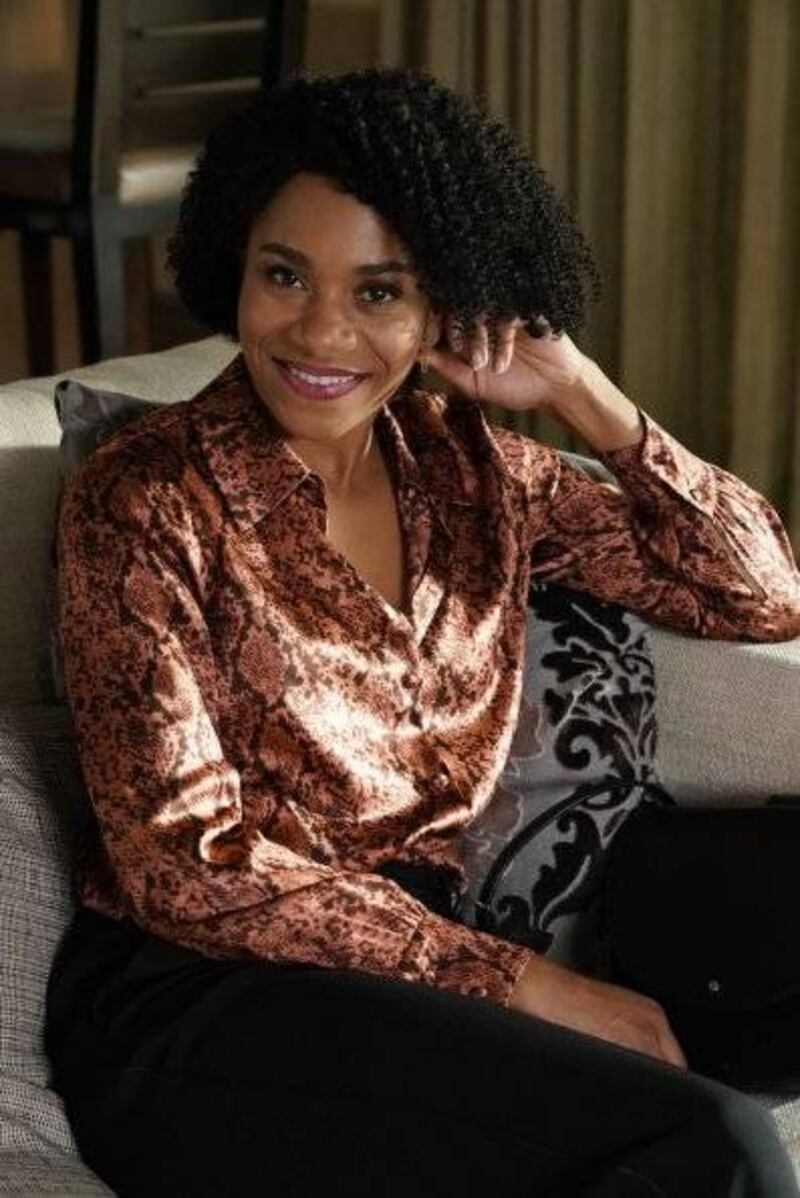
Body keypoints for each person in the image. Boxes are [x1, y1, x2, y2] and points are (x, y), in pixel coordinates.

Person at [45, 67, 800, 1197]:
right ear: (230, 268)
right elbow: (180, 866)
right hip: (207, 1003)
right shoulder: (143, 499)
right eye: (284, 275)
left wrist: (581, 392)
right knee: (713, 1150)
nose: (321, 330)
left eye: (380, 291)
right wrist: (523, 984)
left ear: (444, 305)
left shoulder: (470, 470)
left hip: (433, 975)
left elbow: (757, 593)